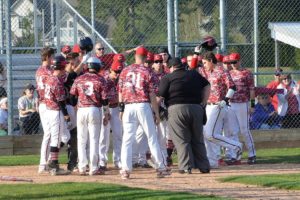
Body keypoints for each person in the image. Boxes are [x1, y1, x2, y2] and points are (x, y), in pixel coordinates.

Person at [118, 46, 170, 179]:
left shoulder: (125, 70)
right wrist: (156, 113)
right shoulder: (147, 71)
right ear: (146, 57)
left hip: (128, 106)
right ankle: (161, 167)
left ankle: (125, 170)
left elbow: (120, 91)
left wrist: (121, 109)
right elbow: (152, 94)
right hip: (143, 105)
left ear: (135, 56)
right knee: (152, 137)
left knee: (127, 139)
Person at [159, 57, 211, 174]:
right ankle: (204, 166)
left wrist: (155, 112)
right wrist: (204, 102)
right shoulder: (193, 74)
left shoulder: (168, 77)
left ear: (172, 67)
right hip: (196, 108)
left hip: (176, 108)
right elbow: (207, 85)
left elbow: (160, 96)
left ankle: (186, 166)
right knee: (197, 138)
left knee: (182, 139)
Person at [199, 52, 242, 168]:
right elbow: (193, 67)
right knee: (207, 134)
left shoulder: (222, 71)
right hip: (208, 105)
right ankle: (212, 161)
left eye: (205, 62)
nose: (204, 65)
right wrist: (197, 53)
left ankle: (236, 146)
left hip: (218, 105)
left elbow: (233, 86)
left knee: (210, 133)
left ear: (211, 61)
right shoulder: (205, 72)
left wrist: (226, 99)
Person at [70, 57, 109, 176]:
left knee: (81, 140)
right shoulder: (101, 79)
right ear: (97, 67)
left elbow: (72, 96)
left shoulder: (79, 78)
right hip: (94, 109)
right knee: (94, 140)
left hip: (81, 110)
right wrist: (106, 113)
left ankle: (82, 167)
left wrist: (76, 104)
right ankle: (94, 168)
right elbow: (104, 99)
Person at [44, 55, 71, 176]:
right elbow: (61, 101)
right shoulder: (57, 81)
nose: (65, 68)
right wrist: (66, 114)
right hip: (55, 112)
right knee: (56, 139)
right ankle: (54, 166)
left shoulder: (49, 78)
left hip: (49, 111)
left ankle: (51, 160)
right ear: (61, 66)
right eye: (64, 66)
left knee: (65, 137)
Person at [228, 52, 257, 165]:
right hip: (231, 103)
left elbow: (252, 89)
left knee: (244, 130)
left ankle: (252, 154)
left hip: (242, 103)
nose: (233, 64)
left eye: (235, 62)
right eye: (231, 62)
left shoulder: (246, 73)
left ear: (239, 61)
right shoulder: (229, 73)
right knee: (233, 131)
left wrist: (252, 104)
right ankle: (235, 156)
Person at [98, 59, 124, 170]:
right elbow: (103, 99)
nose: (117, 74)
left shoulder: (121, 80)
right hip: (105, 108)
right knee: (104, 136)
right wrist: (106, 112)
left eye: (119, 72)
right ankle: (102, 161)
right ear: (110, 70)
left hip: (116, 108)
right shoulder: (105, 80)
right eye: (115, 72)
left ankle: (117, 160)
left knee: (118, 135)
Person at [36, 47, 55, 174]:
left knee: (51, 134)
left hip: (44, 103)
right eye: (52, 56)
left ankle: (46, 162)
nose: (53, 59)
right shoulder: (47, 71)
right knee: (49, 134)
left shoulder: (40, 70)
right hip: (46, 104)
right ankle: (44, 164)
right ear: (47, 57)